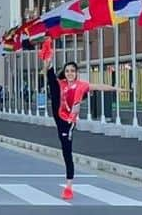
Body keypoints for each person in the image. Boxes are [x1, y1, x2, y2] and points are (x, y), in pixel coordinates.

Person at [42, 40, 116, 200]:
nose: (69, 73)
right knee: (52, 80)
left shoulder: (81, 85)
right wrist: (47, 62)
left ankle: (69, 186)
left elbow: (98, 87)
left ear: (76, 73)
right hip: (57, 111)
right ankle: (48, 55)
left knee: (66, 152)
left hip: (67, 122)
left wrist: (115, 88)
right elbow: (47, 73)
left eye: (72, 71)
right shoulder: (60, 83)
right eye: (67, 70)